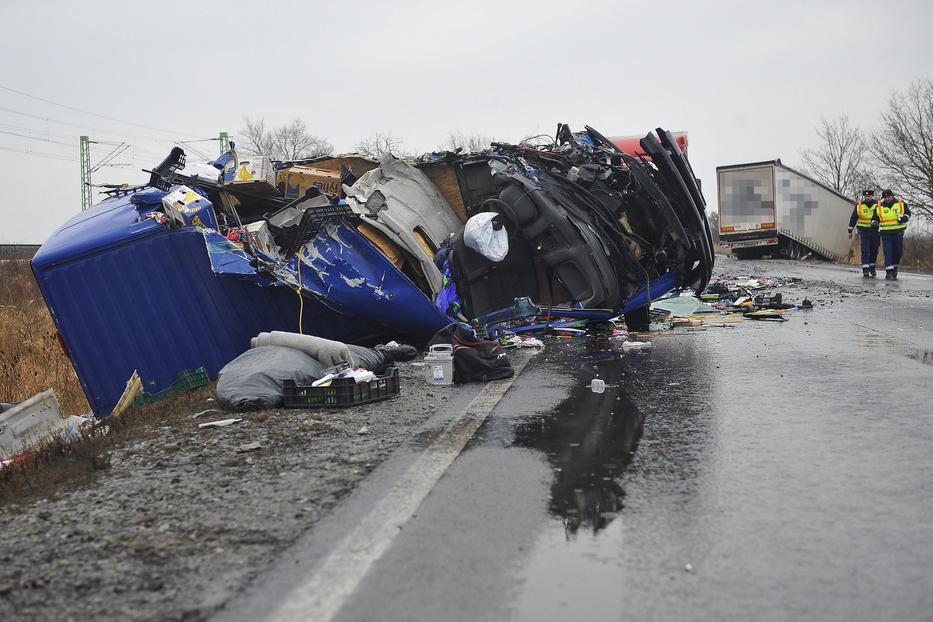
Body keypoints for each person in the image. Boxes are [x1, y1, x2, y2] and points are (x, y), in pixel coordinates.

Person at [877, 189, 911, 280]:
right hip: (885, 233)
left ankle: (894, 266)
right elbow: (875, 217)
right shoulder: (880, 206)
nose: (887, 199)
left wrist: (904, 218)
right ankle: (889, 272)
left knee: (898, 252)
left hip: (898, 233)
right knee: (888, 252)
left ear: (892, 196)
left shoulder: (901, 203)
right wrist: (874, 221)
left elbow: (908, 213)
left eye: (888, 197)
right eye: (885, 197)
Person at [847, 189, 880, 277]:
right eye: (866, 196)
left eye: (869, 196)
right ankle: (865, 269)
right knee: (865, 250)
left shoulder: (878, 204)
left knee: (874, 250)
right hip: (863, 231)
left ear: (872, 196)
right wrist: (850, 231)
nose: (867, 197)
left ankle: (872, 267)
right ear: (864, 197)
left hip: (875, 231)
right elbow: (853, 218)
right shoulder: (859, 205)